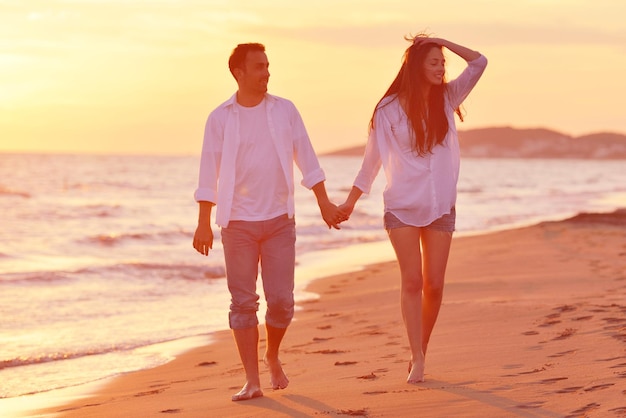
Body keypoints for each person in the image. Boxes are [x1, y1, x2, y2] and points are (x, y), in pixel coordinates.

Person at [192, 43, 344, 401]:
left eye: (267, 66)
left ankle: (272, 354)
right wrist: (203, 221)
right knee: (243, 303)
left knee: (281, 303)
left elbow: (306, 157)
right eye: (259, 67)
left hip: (278, 222)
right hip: (237, 225)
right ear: (238, 72)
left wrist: (323, 201)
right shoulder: (220, 118)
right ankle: (252, 379)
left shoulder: (284, 111)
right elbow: (207, 173)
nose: (266, 72)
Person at [339, 34, 487, 384]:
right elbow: (371, 163)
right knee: (413, 280)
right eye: (433, 62)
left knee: (434, 284)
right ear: (416, 66)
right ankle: (418, 358)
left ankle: (419, 348)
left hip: (440, 206)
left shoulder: (448, 98)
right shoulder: (387, 109)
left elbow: (479, 62)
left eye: (442, 63)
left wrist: (441, 42)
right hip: (402, 206)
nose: (440, 67)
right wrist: (350, 201)